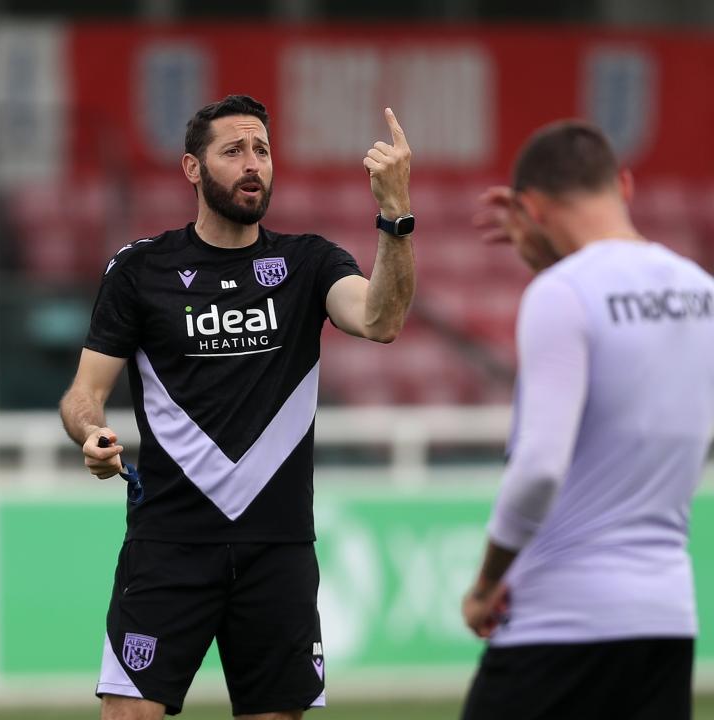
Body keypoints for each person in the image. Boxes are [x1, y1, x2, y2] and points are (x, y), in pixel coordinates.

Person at [59, 94, 416, 720]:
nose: (253, 164)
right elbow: (83, 393)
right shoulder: (141, 271)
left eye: (262, 150)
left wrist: (395, 213)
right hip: (169, 544)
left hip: (275, 550)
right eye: (233, 151)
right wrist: (90, 433)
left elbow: (381, 319)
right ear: (192, 169)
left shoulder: (310, 263)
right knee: (127, 715)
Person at [460, 120, 714, 720]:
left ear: (530, 208)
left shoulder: (561, 294)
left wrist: (485, 584)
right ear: (623, 185)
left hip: (558, 622)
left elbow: (540, 469)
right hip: (666, 623)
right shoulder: (702, 292)